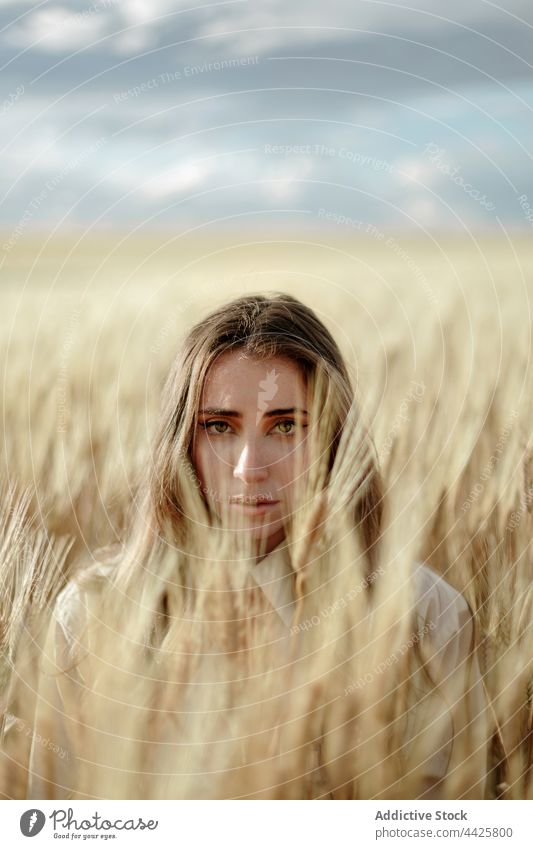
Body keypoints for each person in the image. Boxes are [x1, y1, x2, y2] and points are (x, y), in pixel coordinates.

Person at [24, 292, 489, 800]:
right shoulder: (95, 619)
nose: (249, 468)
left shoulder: (427, 617)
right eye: (219, 427)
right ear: (182, 443)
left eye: (286, 427)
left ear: (335, 440)